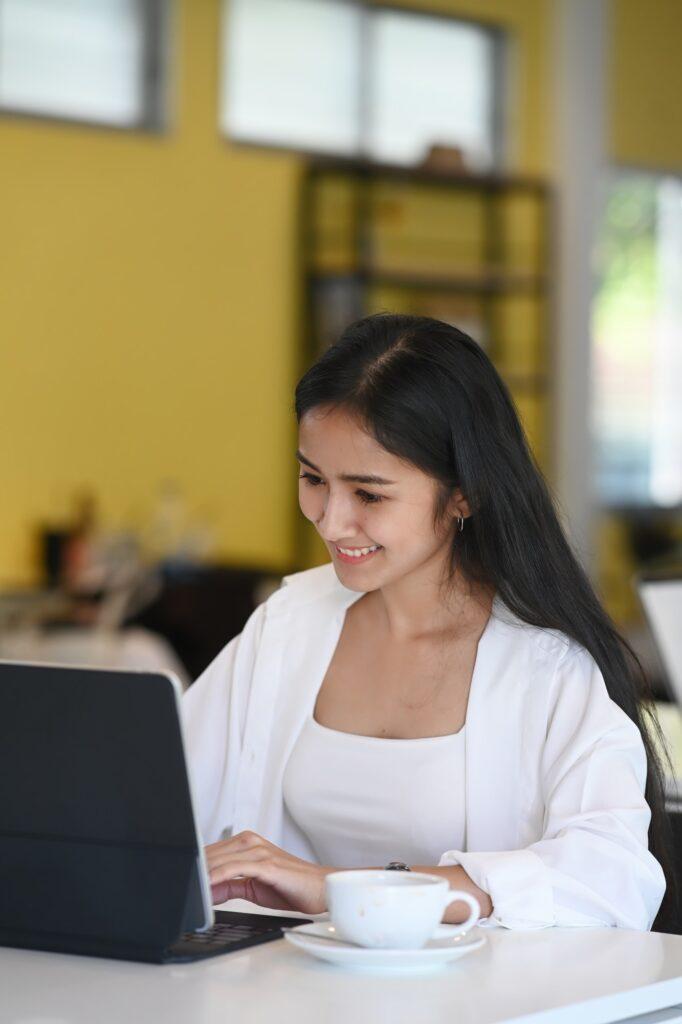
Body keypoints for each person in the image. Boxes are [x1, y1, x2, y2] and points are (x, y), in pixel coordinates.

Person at [183, 313, 671, 930]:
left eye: (369, 494)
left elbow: (611, 877)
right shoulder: (287, 626)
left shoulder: (548, 665)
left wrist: (336, 890)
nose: (331, 522)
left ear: (463, 491)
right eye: (313, 479)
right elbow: (157, 801)